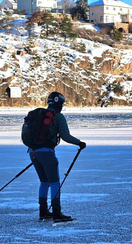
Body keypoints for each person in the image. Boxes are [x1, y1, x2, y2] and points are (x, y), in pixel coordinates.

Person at [29, 92, 86, 223]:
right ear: (58, 103)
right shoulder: (58, 116)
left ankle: (43, 212)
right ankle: (56, 213)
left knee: (44, 182)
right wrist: (79, 143)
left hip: (33, 153)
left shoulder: (38, 115)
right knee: (54, 182)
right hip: (47, 153)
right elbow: (65, 136)